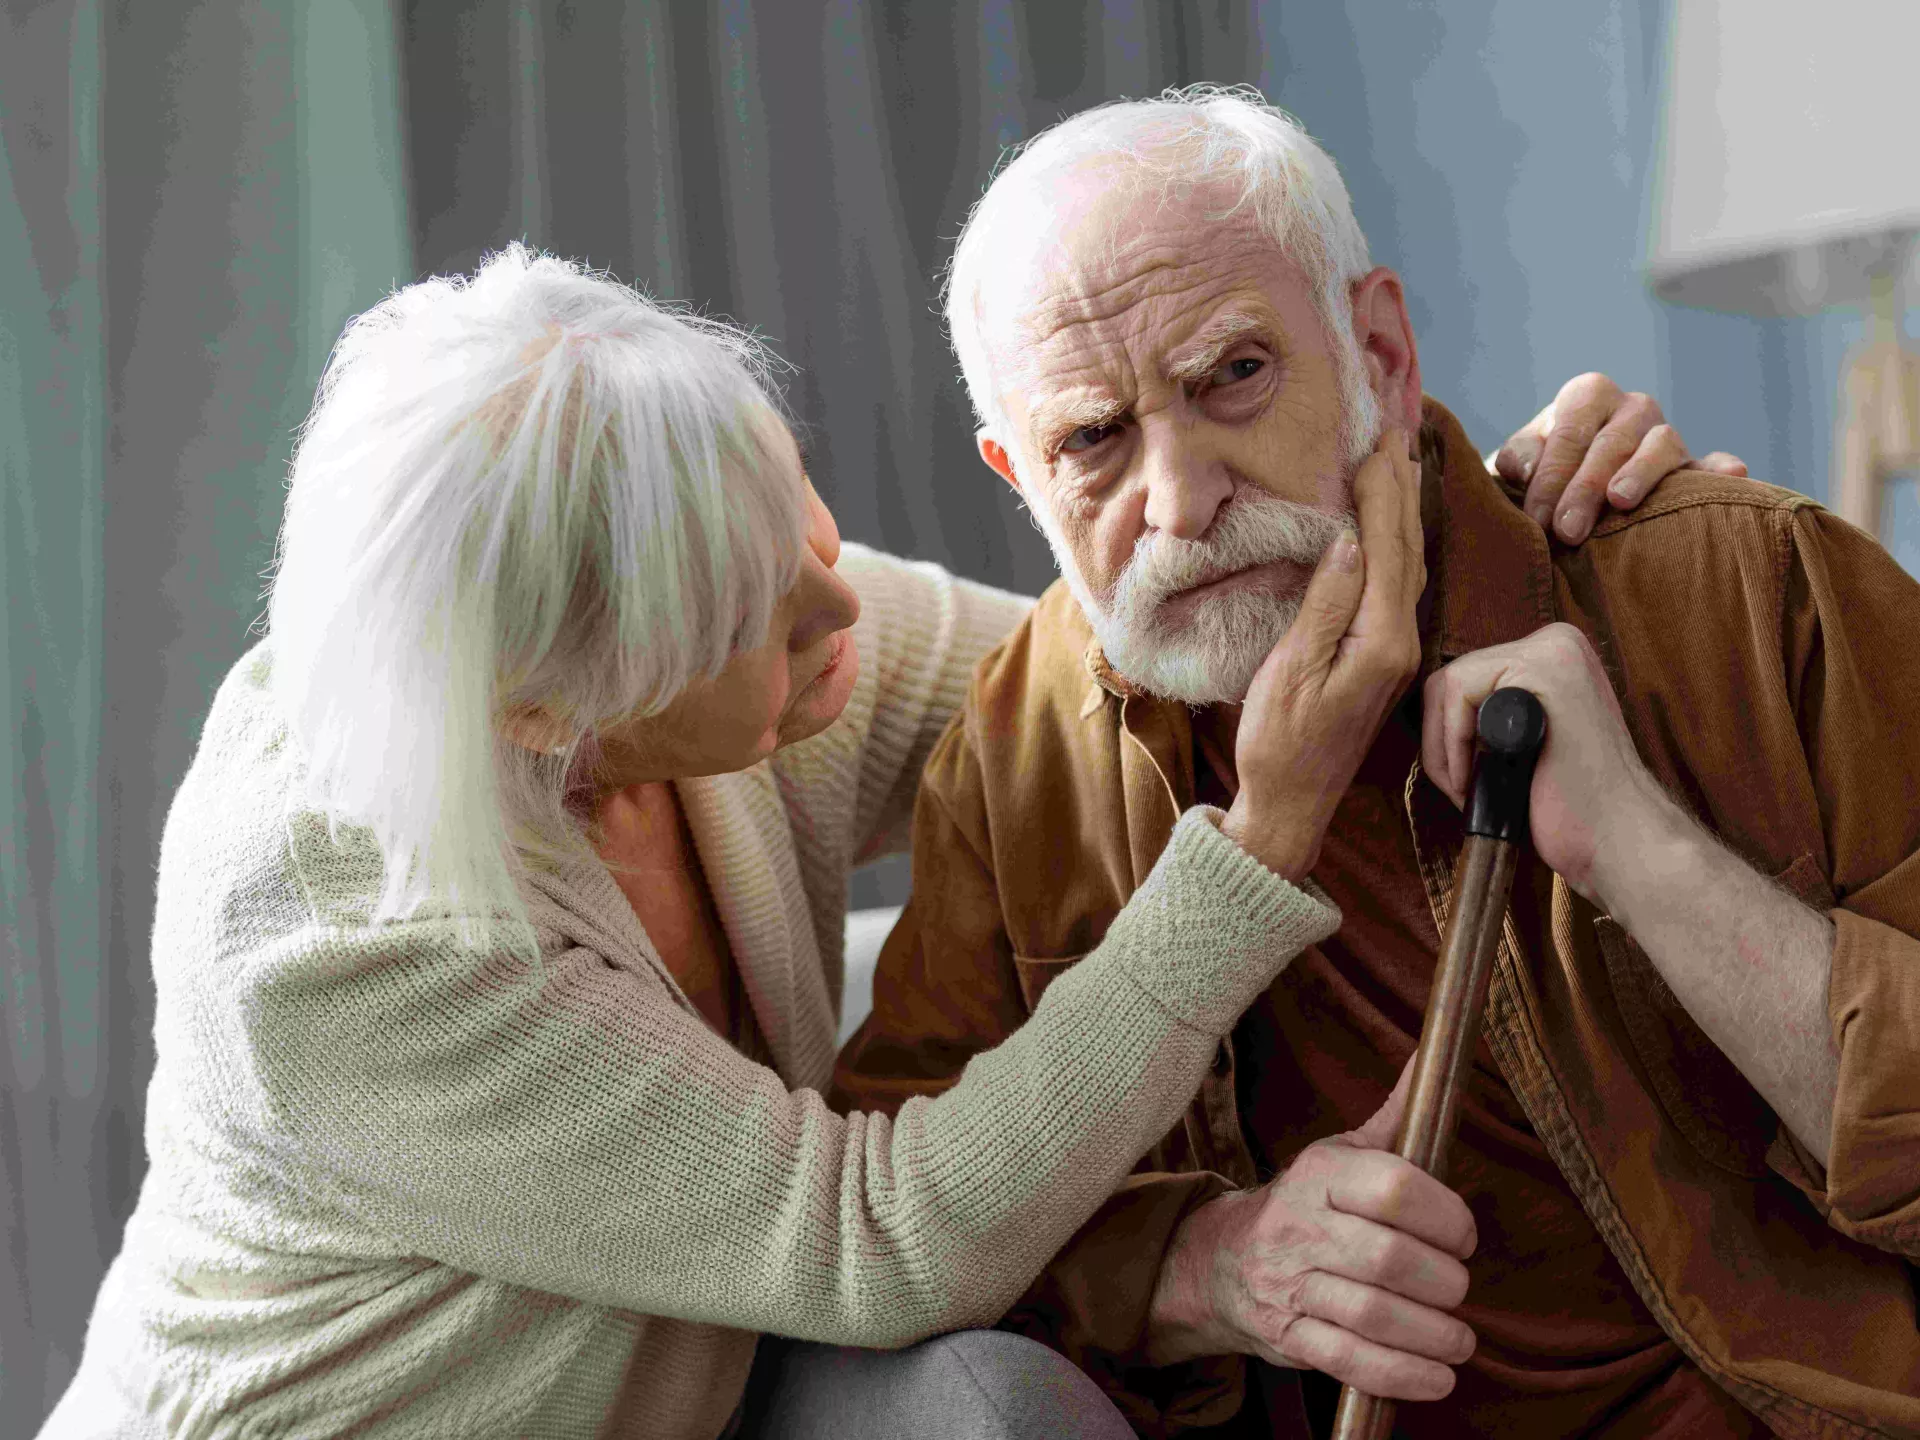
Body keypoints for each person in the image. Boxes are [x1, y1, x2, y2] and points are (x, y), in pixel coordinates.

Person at [37, 239, 1722, 1440]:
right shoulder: (351, 940)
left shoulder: (687, 605)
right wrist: (1264, 834)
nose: (843, 606)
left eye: (803, 523)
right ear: (558, 717)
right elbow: (876, 1241)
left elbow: (1112, 680)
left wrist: (1495, 518)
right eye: (765, 627)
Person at [833, 84, 1920, 1440]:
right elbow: (893, 1231)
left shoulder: (1745, 585)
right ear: (1019, 476)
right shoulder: (1016, 756)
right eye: (1092, 441)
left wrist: (1646, 852)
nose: (1182, 498)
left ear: (1381, 353)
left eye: (1232, 374)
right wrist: (1204, 1264)